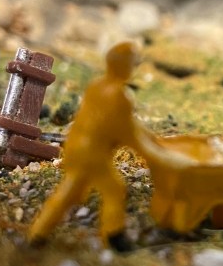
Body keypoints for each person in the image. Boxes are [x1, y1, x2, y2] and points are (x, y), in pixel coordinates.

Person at [28, 41, 145, 252]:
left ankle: (39, 232)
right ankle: (114, 235)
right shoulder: (120, 96)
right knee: (114, 189)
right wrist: (148, 150)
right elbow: (127, 132)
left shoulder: (96, 86)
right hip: (95, 155)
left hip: (75, 148)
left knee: (69, 192)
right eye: (132, 65)